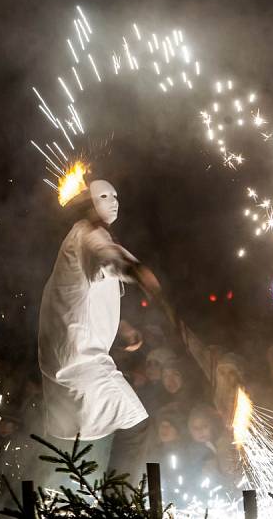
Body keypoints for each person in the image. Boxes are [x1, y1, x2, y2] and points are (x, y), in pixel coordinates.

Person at [37, 172, 166, 484]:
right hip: (82, 361)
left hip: (69, 359)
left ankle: (64, 494)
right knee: (135, 423)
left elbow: (86, 294)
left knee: (82, 441)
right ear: (90, 205)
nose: (113, 203)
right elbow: (109, 257)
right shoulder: (88, 235)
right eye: (104, 197)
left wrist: (121, 327)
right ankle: (119, 505)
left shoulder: (76, 239)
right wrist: (136, 270)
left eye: (116, 196)